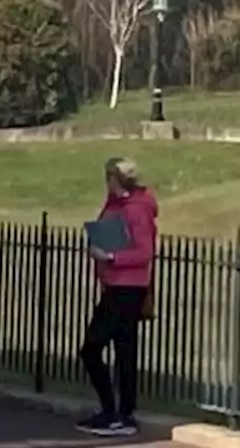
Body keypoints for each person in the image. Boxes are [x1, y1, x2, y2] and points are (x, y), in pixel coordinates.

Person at [76, 157, 159, 437]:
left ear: (118, 179)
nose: (106, 183)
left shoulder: (138, 209)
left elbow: (144, 252)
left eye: (109, 177)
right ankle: (117, 413)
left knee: (93, 348)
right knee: (123, 350)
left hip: (129, 288)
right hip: (113, 284)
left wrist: (111, 256)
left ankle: (117, 413)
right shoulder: (114, 205)